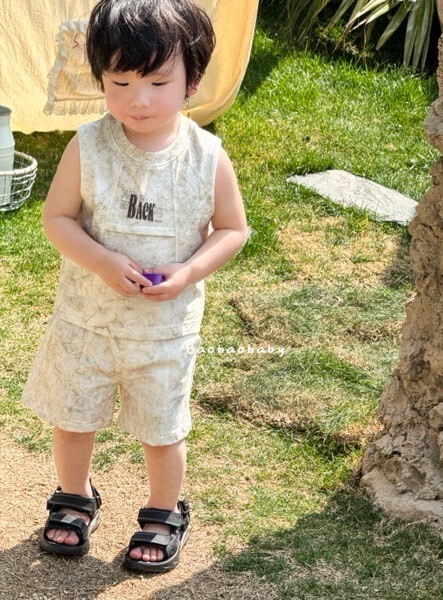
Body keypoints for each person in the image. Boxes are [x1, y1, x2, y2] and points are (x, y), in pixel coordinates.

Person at [21, 0, 247, 574]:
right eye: (120, 82)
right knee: (73, 416)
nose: (137, 99)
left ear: (192, 81)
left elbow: (232, 229)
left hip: (164, 333)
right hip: (86, 322)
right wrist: (100, 261)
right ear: (100, 77)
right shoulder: (88, 145)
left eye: (157, 82)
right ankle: (75, 495)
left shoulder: (206, 157)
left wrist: (188, 271)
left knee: (162, 429)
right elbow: (57, 218)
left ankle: (163, 511)